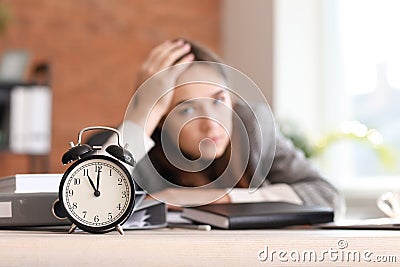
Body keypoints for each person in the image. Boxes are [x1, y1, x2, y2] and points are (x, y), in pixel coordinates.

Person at [110, 39, 344, 217]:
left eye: (218, 100)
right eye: (186, 110)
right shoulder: (133, 142)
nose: (211, 123)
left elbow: (327, 196)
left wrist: (217, 198)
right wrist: (143, 112)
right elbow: (88, 205)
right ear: (159, 118)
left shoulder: (253, 125)